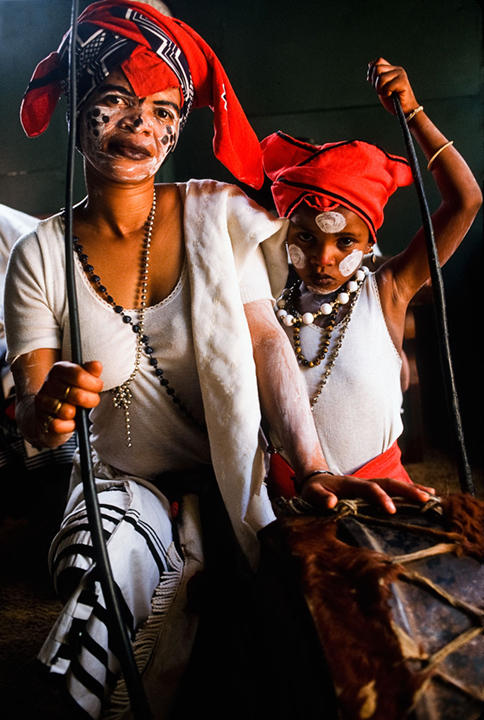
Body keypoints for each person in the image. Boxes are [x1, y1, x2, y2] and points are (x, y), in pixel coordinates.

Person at [4, 5, 433, 714]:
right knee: (107, 560)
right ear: (75, 108)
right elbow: (31, 417)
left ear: (177, 128)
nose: (137, 125)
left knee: (277, 636)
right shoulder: (39, 256)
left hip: (236, 484)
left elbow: (267, 345)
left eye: (161, 110)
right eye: (112, 102)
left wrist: (316, 464)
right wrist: (48, 411)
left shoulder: (215, 213)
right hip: (126, 482)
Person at [261, 58, 482, 497]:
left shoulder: (387, 288)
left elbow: (465, 201)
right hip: (295, 499)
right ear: (285, 231)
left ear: (367, 245)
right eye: (305, 236)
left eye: (345, 242)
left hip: (385, 491)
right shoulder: (269, 308)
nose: (322, 257)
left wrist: (415, 115)